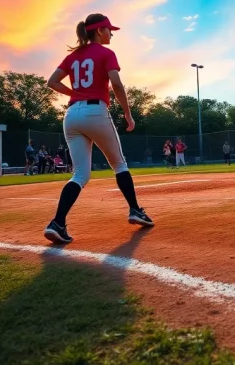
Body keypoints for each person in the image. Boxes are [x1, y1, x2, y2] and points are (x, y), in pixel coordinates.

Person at [43, 13, 153, 244]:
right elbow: (117, 84)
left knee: (80, 174)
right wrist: (127, 113)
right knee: (119, 164)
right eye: (109, 30)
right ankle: (135, 210)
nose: (111, 34)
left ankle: (57, 223)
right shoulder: (106, 53)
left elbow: (52, 82)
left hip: (72, 115)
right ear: (100, 31)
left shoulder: (73, 56)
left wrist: (75, 93)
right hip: (95, 112)